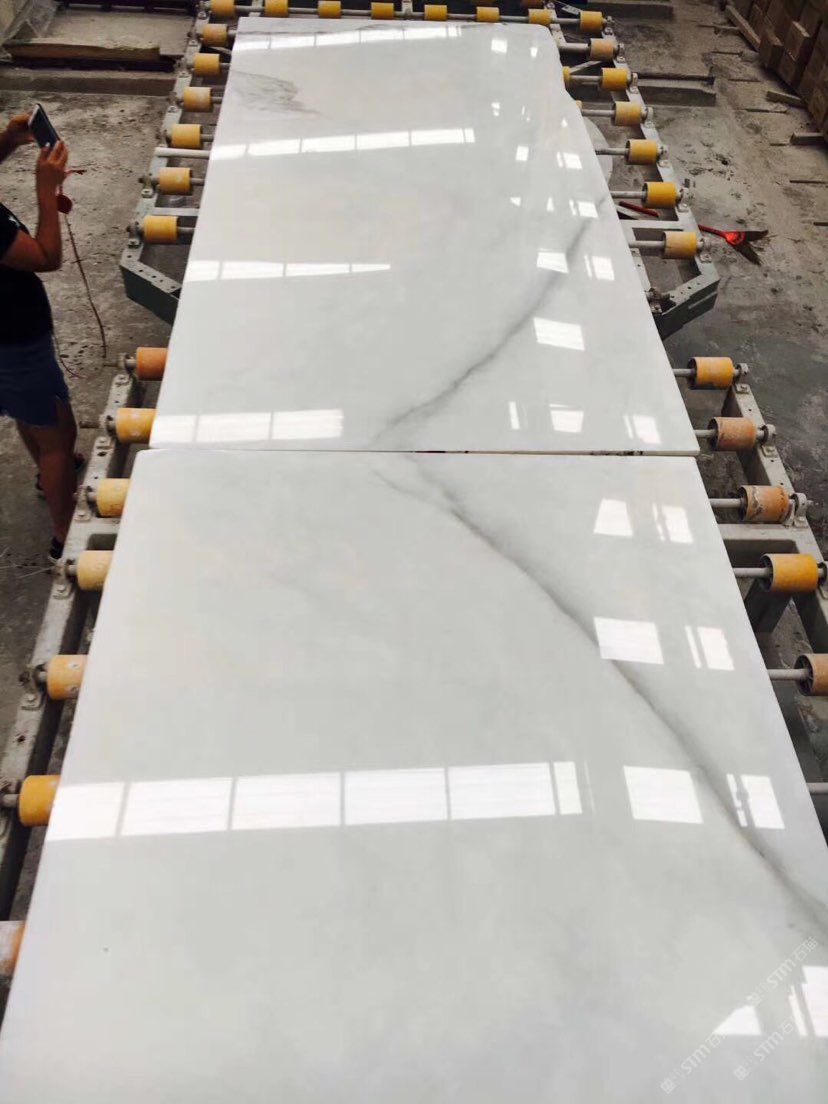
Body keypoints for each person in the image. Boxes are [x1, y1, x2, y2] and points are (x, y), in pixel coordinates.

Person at [0, 112, 81, 564]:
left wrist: (10, 140)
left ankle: (47, 474)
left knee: (26, 410)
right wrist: (46, 191)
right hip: (14, 339)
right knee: (57, 432)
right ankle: (65, 536)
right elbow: (46, 257)